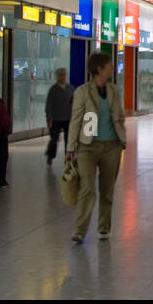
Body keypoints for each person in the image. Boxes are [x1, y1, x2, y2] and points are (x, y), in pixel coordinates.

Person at [66, 52, 127, 243]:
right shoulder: (83, 92)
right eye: (109, 65)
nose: (112, 68)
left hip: (112, 146)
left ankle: (104, 228)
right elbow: (76, 120)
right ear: (100, 69)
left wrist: (122, 137)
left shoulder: (114, 90)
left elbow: (120, 116)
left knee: (107, 190)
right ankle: (79, 231)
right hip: (88, 146)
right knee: (88, 189)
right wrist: (70, 148)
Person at [44, 67, 73, 166]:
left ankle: (68, 158)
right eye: (60, 75)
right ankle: (50, 155)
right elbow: (49, 105)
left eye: (64, 74)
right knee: (54, 139)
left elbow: (73, 103)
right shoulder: (53, 89)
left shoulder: (70, 88)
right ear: (57, 76)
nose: (63, 77)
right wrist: (49, 119)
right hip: (56, 119)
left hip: (68, 118)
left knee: (68, 139)